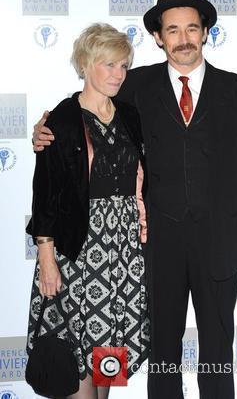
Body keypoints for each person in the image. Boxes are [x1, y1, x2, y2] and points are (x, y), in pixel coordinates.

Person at [32, 0, 237, 399]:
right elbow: (85, 113)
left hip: (218, 241)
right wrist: (45, 131)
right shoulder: (132, 85)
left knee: (217, 348)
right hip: (153, 244)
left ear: (206, 33)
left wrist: (217, 200)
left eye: (192, 29)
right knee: (164, 352)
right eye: (172, 30)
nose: (183, 39)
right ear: (159, 37)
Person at [26, 23, 150, 399]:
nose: (118, 74)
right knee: (79, 350)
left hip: (123, 251)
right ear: (85, 65)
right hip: (78, 250)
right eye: (109, 65)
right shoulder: (61, 120)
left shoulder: (130, 115)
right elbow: (45, 195)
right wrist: (47, 259)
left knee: (106, 353)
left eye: (124, 66)